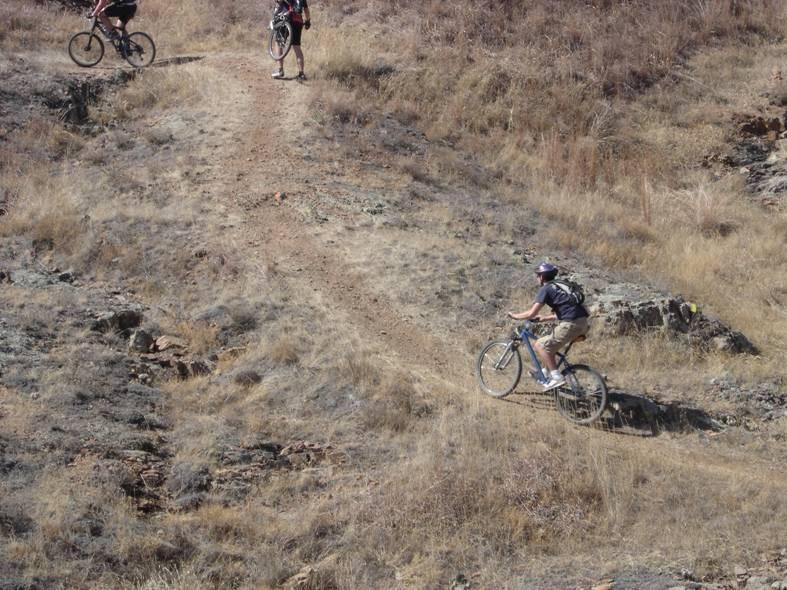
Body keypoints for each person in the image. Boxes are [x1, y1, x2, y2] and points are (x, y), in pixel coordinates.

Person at [507, 262, 590, 390]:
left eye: (537, 275)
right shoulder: (560, 286)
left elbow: (531, 313)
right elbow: (567, 310)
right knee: (549, 344)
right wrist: (545, 318)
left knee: (540, 345)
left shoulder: (546, 288)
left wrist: (514, 316)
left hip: (571, 324)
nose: (537, 278)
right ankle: (545, 372)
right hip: (583, 323)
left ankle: (556, 378)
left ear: (541, 277)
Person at [272, 0, 311, 80]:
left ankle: (280, 70)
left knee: (279, 43)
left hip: (286, 18)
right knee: (297, 47)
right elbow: (306, 10)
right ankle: (301, 74)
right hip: (298, 21)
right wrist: (308, 21)